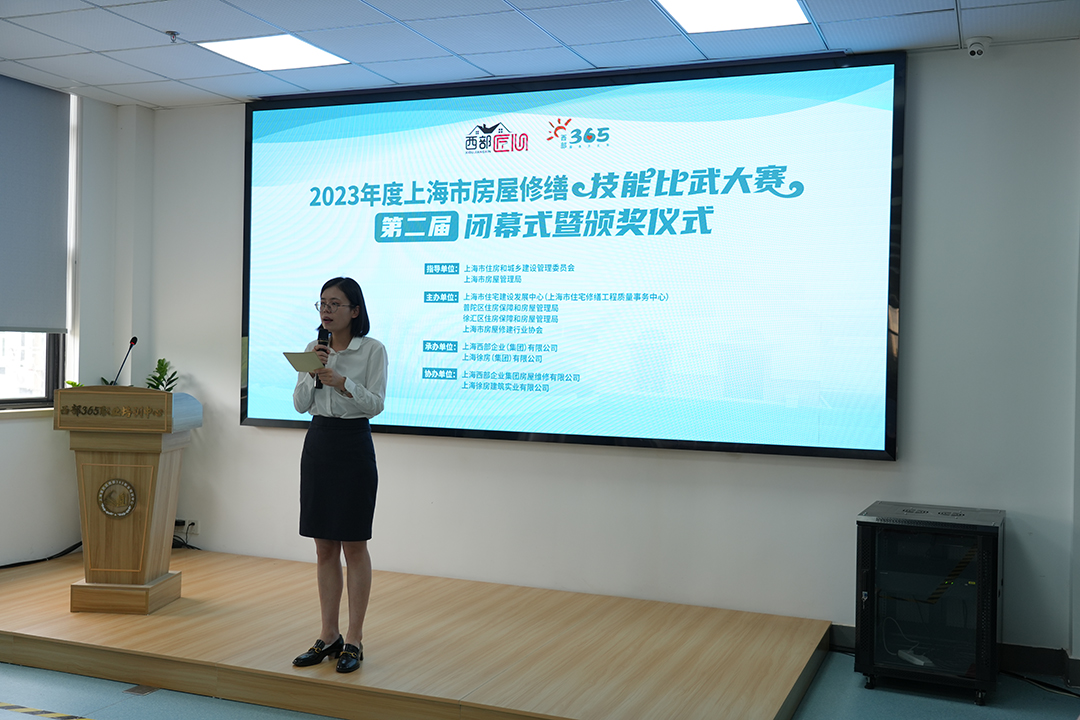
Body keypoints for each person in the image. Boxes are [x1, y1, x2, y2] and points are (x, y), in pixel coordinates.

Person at [291, 277, 387, 673]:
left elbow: (376, 404)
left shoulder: (372, 350)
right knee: (324, 547)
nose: (327, 311)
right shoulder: (313, 350)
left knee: (354, 545)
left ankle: (355, 638)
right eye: (322, 304)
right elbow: (299, 404)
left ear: (355, 310)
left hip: (353, 445)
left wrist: (343, 383)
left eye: (335, 303)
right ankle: (328, 634)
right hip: (319, 443)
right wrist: (314, 373)